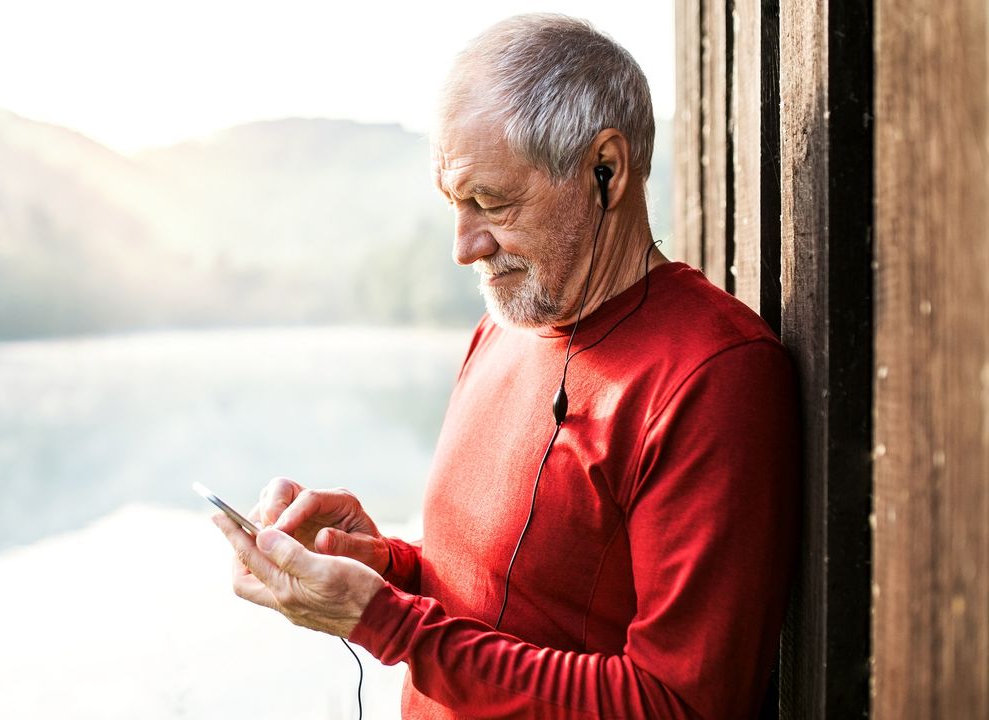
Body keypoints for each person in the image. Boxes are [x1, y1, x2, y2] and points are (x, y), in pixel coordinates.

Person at [212, 13, 799, 719]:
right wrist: (384, 569)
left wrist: (389, 622)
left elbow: (679, 703)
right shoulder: (503, 330)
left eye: (489, 202)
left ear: (604, 171)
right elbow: (510, 599)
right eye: (453, 205)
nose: (463, 246)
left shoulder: (715, 376)